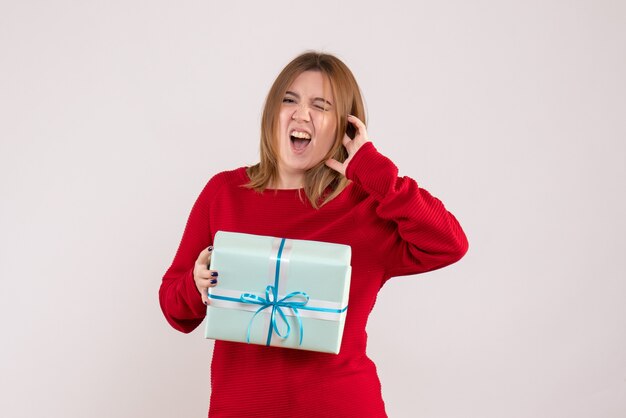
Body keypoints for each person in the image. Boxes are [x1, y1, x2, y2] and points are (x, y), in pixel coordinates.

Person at [159, 51, 468, 417]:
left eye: (320, 106)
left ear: (346, 127)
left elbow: (449, 243)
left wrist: (376, 172)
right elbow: (175, 309)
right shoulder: (225, 193)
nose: (300, 114)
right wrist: (196, 284)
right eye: (289, 100)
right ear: (273, 113)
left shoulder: (366, 207)